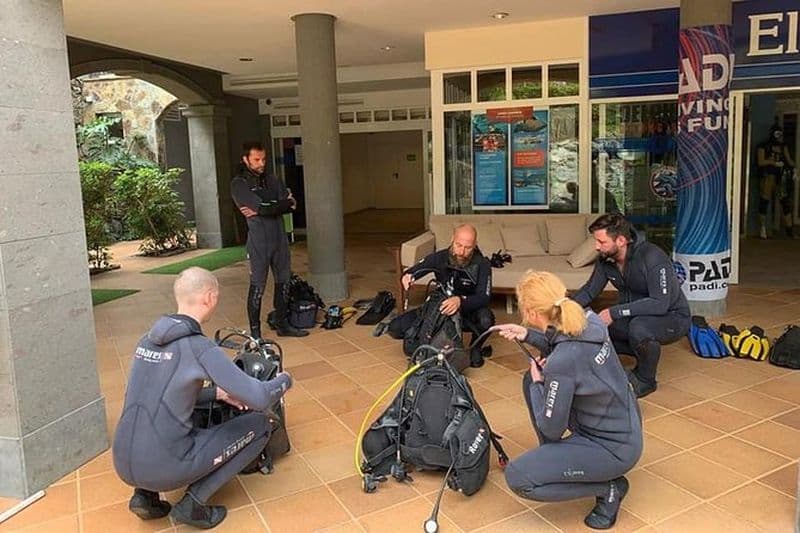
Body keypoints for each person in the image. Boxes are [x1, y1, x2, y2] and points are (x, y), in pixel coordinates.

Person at [112, 267, 293, 529]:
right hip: (165, 467)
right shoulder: (199, 347)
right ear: (209, 297)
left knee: (157, 413)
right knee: (261, 425)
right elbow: (258, 397)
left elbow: (161, 394)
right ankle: (193, 504)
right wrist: (284, 380)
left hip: (123, 461)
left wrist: (218, 393)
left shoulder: (145, 342)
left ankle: (144, 496)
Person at [494, 271, 642, 530]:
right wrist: (526, 335)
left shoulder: (563, 361)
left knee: (518, 477)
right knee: (531, 382)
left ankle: (609, 488)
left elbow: (552, 426)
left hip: (612, 449)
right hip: (623, 428)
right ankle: (558, 458)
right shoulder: (589, 320)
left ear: (530, 312)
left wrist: (542, 383)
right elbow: (564, 344)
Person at [572, 214, 690, 398]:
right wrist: (564, 309)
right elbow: (589, 291)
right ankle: (638, 352)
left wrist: (614, 311)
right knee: (593, 326)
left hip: (672, 317)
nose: (596, 246)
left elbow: (659, 303)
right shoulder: (606, 260)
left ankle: (645, 380)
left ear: (620, 240)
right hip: (635, 314)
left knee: (639, 328)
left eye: (601, 242)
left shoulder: (652, 257)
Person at [389, 223, 494, 368]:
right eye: (458, 245)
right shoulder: (441, 257)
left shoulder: (483, 264)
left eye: (468, 247)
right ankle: (436, 337)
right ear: (452, 239)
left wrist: (460, 301)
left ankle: (474, 348)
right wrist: (408, 276)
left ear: (475, 245)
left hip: (467, 310)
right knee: (395, 328)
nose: (462, 252)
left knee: (486, 320)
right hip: (440, 308)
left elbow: (484, 297)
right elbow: (414, 270)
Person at [231, 141, 307, 338]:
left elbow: (291, 204)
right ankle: (255, 333)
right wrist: (279, 204)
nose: (261, 163)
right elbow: (267, 208)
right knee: (258, 285)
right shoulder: (239, 184)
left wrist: (274, 205)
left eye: (263, 159)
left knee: (284, 281)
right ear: (246, 159)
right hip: (259, 243)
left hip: (279, 239)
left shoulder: (272, 179)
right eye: (256, 159)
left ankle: (283, 325)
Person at [756, 126, 796, 239]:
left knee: (785, 201)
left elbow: (789, 160)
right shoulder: (764, 146)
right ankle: (762, 228)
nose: (780, 137)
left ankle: (789, 230)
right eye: (778, 134)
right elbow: (761, 161)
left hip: (781, 176)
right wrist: (773, 162)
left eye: (781, 134)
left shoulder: (783, 147)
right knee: (765, 199)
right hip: (768, 175)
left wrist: (794, 169)